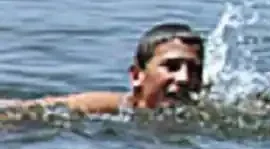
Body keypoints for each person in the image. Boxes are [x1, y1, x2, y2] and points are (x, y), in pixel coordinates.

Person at [0, 22, 206, 115]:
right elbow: (29, 110)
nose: (184, 78)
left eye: (194, 70)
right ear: (137, 76)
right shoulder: (109, 107)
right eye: (171, 67)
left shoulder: (207, 115)